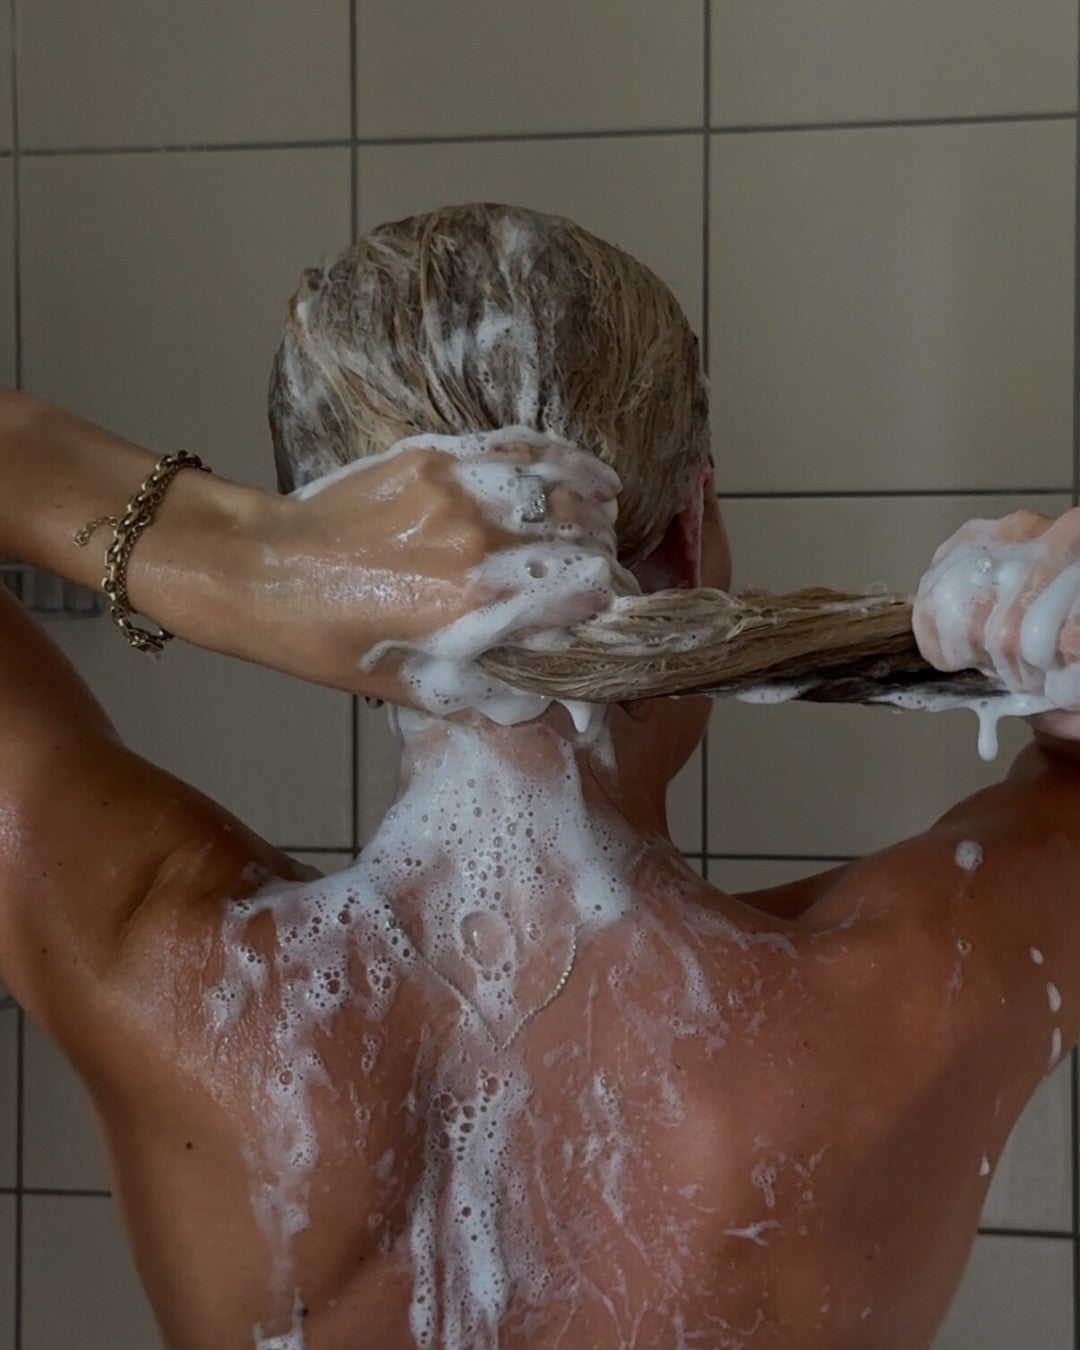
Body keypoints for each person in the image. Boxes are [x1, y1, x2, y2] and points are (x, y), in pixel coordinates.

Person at [1, 202, 1078, 1350]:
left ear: (336, 581)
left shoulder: (148, 968)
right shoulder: (918, 993)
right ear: (689, 536)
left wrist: (233, 561)